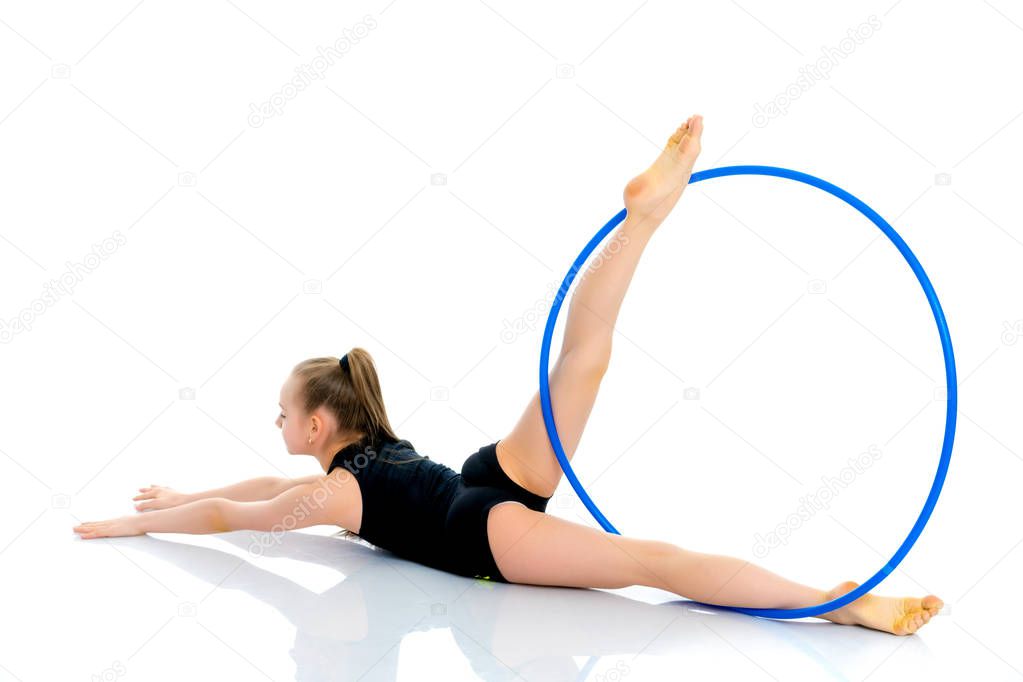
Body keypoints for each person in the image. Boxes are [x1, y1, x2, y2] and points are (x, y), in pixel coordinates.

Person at [73, 115, 942, 636]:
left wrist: (136, 525)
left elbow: (244, 513)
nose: (275, 428)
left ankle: (837, 604)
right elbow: (253, 485)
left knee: (653, 562)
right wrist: (181, 493)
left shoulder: (337, 494)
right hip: (479, 482)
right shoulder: (362, 458)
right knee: (580, 368)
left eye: (280, 415)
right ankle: (640, 223)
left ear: (316, 428)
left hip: (488, 535)